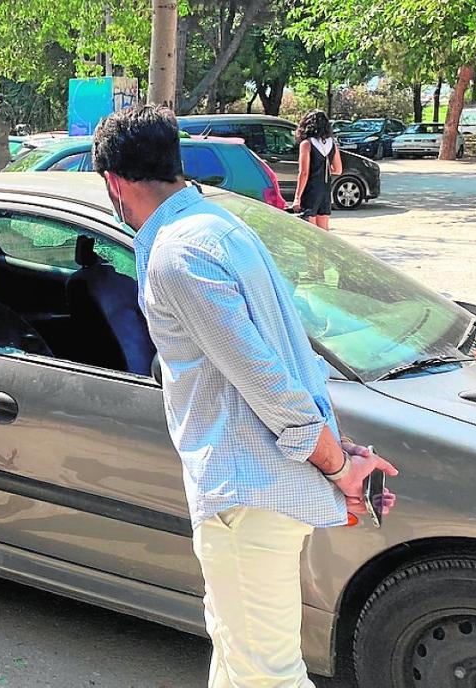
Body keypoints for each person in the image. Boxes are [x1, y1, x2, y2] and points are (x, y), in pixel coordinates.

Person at [92, 105, 398, 688]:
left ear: (114, 182)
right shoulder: (223, 227)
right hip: (257, 493)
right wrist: (342, 451)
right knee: (236, 659)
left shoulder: (176, 255)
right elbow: (290, 355)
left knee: (267, 675)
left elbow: (264, 376)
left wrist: (337, 463)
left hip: (245, 494)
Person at [292, 110, 343, 230]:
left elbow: (304, 173)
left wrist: (297, 198)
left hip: (310, 190)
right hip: (325, 191)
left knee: (311, 231)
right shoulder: (332, 144)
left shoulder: (306, 144)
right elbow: (338, 170)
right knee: (324, 232)